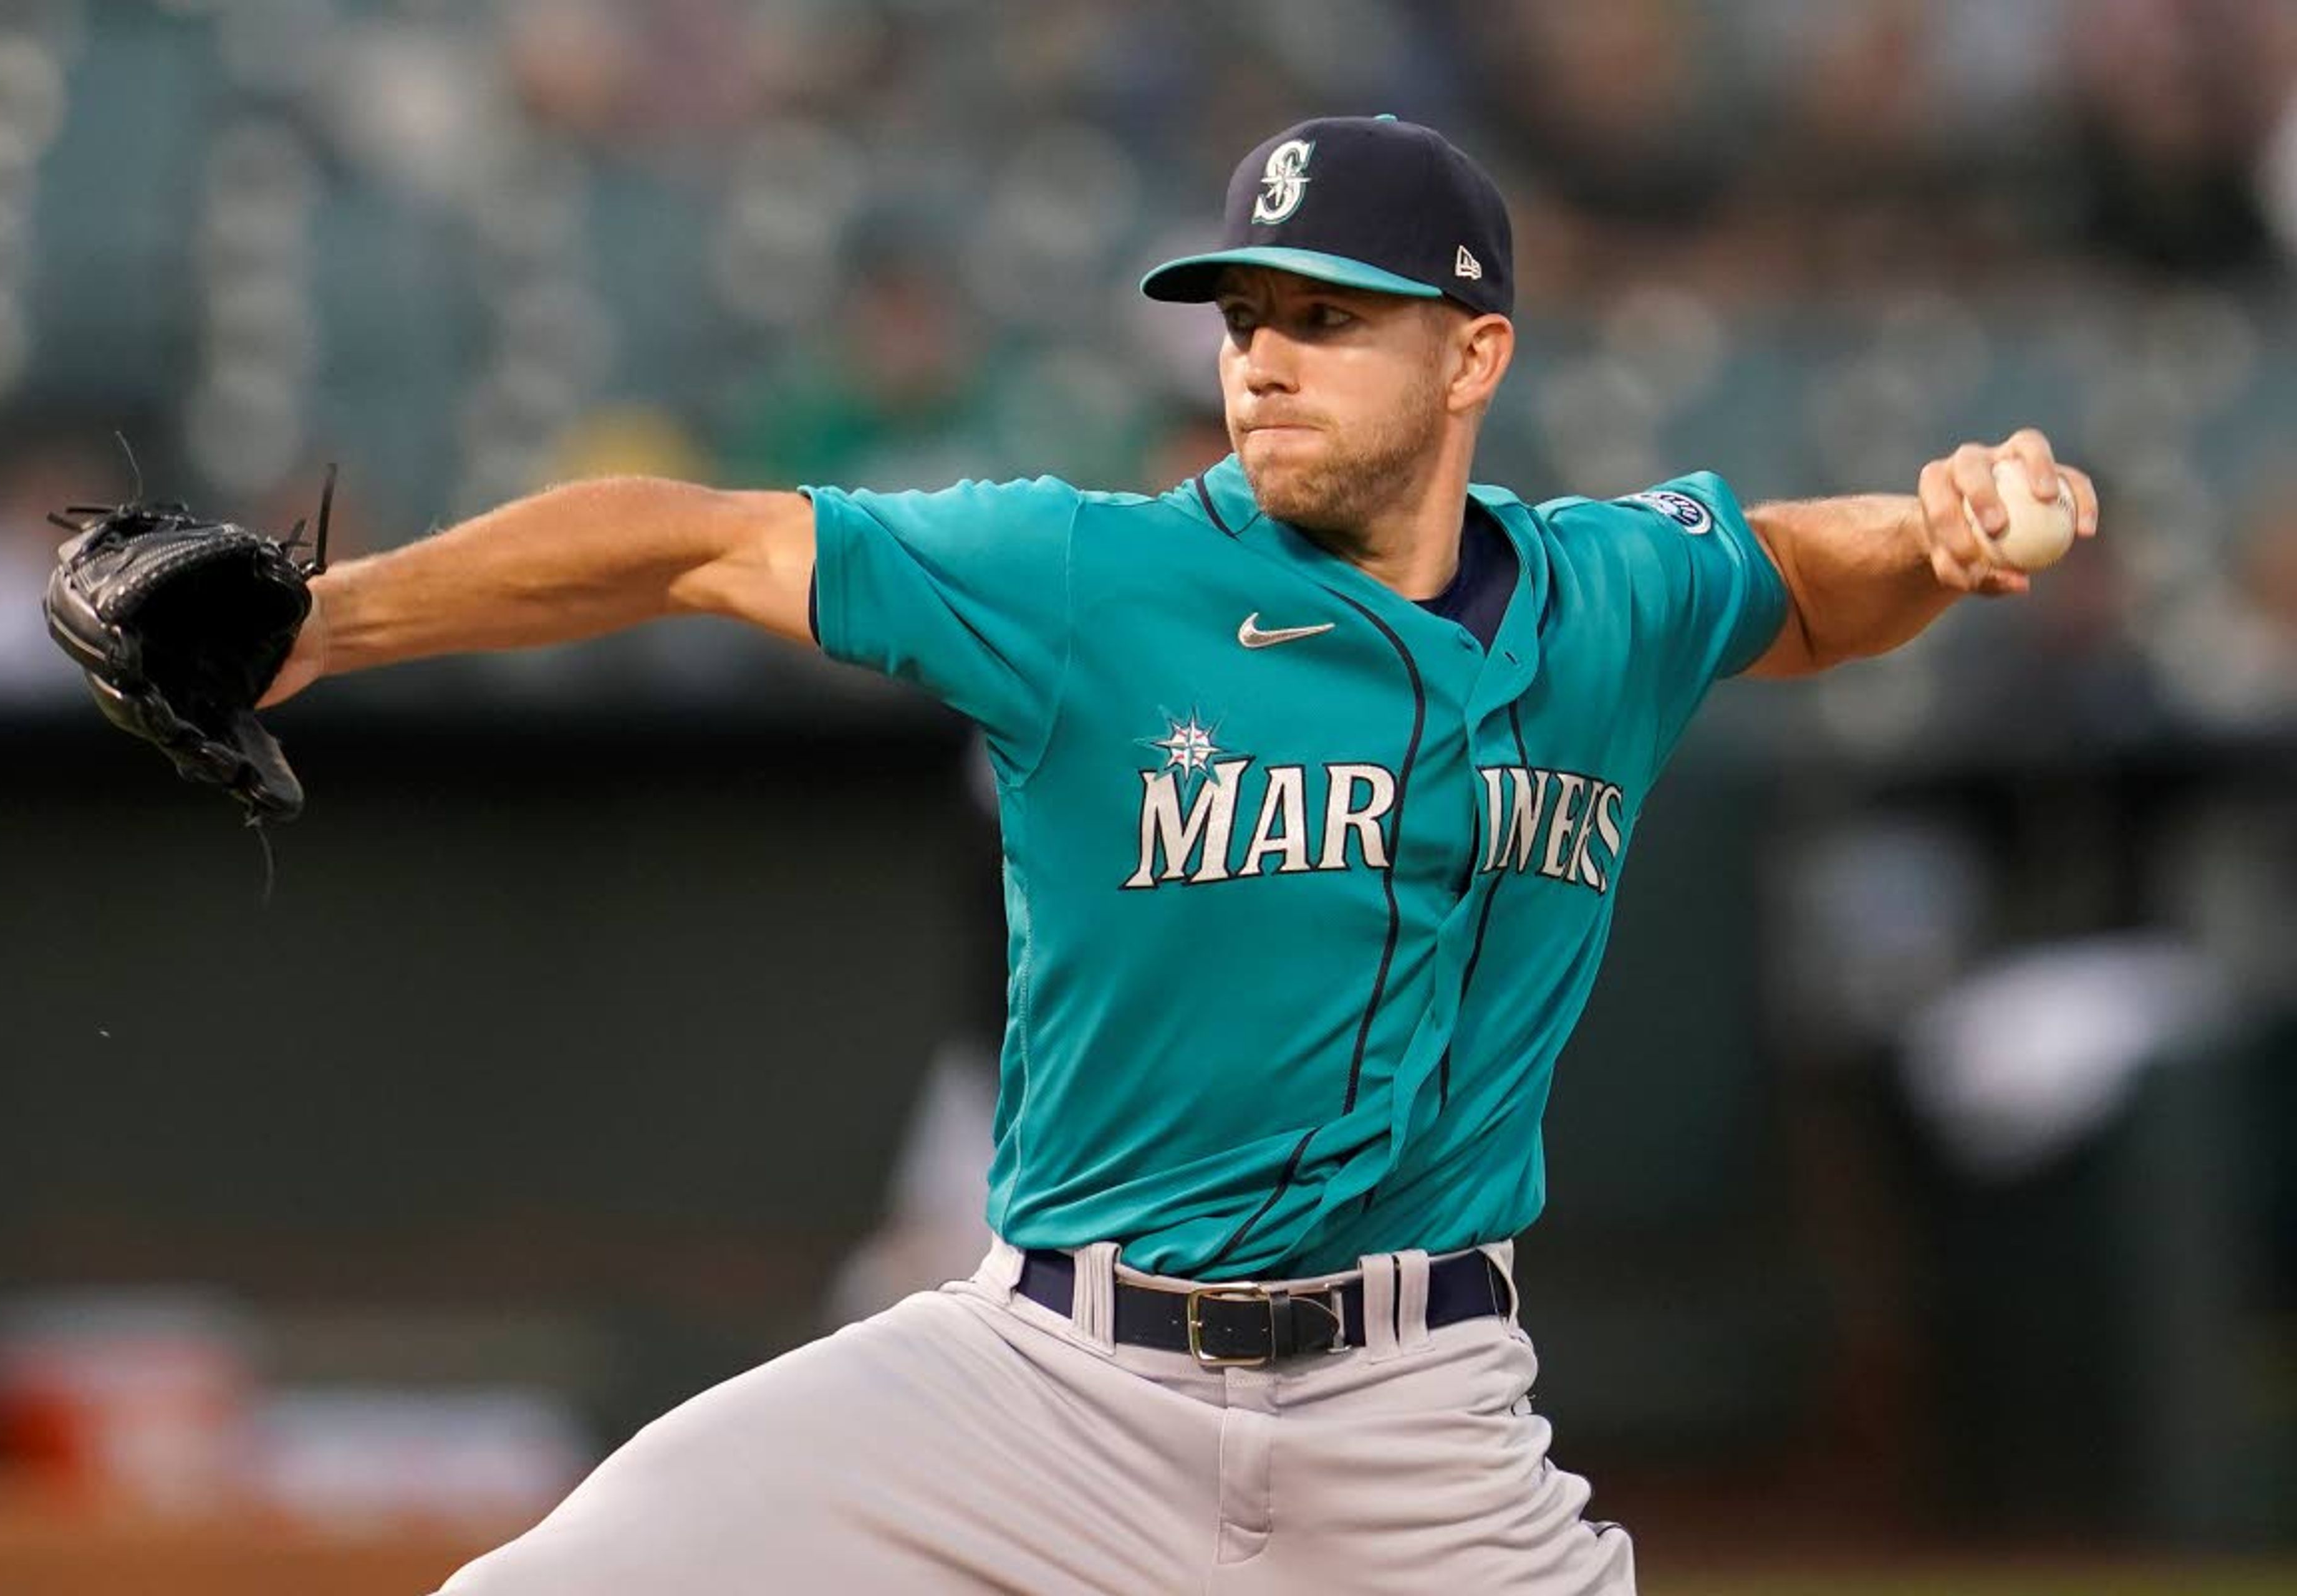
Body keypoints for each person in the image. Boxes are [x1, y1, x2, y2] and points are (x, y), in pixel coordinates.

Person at [259, 117, 2097, 1594]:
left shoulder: (1606, 595)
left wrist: (1934, 543)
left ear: (1476, 356)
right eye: (1243, 320)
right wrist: (328, 625)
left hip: (1419, 1421)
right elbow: (686, 540)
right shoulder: (1087, 575)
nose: (1265, 365)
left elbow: (1791, 585)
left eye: (1328, 319)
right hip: (1048, 1381)